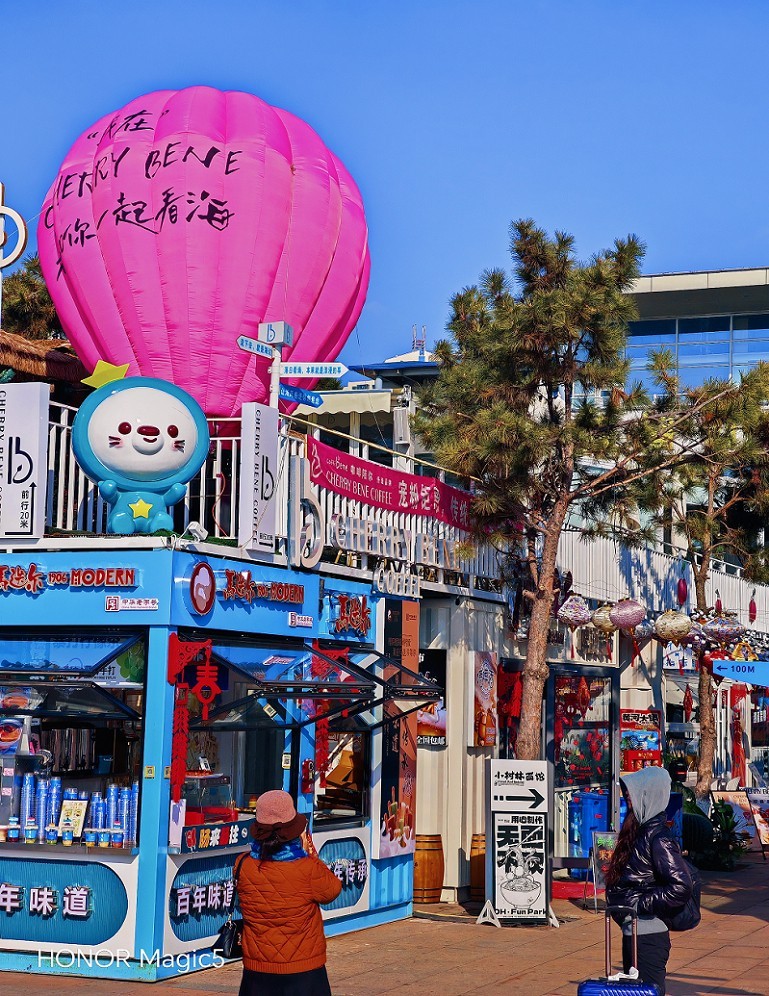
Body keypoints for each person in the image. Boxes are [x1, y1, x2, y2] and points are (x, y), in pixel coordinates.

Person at [235, 790, 343, 996]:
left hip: (257, 970)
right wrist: (309, 852)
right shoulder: (307, 868)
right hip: (303, 970)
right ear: (293, 830)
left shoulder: (243, 865)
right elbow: (332, 890)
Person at [604, 766, 693, 995]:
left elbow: (680, 886)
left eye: (633, 793)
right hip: (633, 931)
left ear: (649, 795)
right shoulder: (639, 830)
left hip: (647, 934)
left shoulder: (658, 838)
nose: (628, 798)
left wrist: (639, 904)